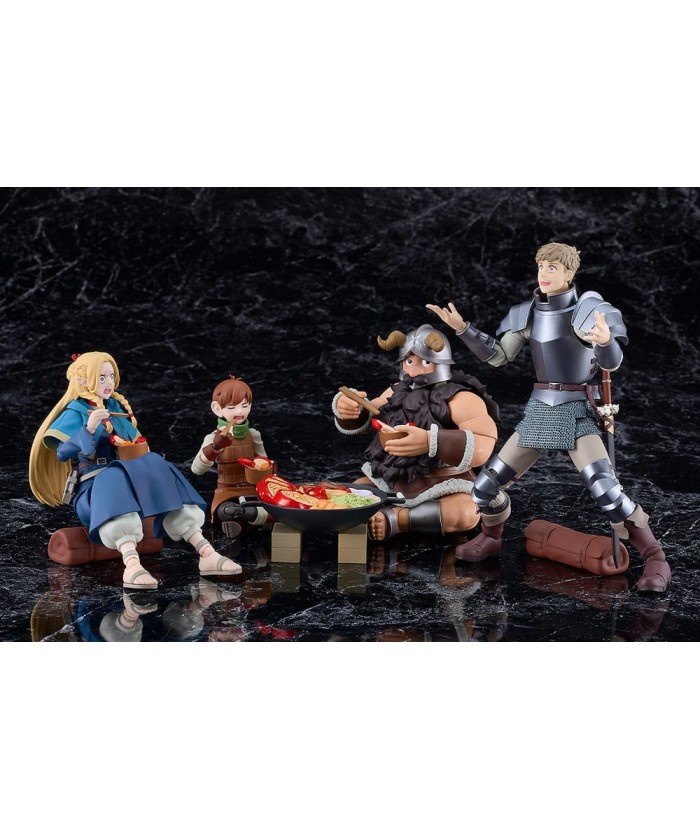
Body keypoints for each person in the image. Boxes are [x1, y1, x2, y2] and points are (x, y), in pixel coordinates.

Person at [427, 241, 671, 593]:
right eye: (541, 267)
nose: (543, 274)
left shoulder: (586, 312)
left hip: (575, 410)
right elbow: (498, 356)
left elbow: (611, 362)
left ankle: (655, 557)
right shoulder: (528, 314)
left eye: (552, 268)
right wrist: (463, 328)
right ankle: (491, 537)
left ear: (569, 273)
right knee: (484, 487)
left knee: (606, 489)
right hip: (540, 410)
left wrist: (605, 340)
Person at [29, 351, 241, 589]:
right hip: (95, 492)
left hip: (129, 484)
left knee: (157, 464)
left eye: (111, 376)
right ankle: (131, 565)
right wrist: (89, 428)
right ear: (82, 379)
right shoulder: (75, 411)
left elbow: (135, 443)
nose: (109, 383)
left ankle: (206, 552)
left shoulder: (115, 407)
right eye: (101, 377)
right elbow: (62, 453)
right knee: (113, 475)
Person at [333, 323, 499, 541]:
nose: (414, 371)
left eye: (425, 362)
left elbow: (484, 441)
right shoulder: (396, 391)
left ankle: (398, 519)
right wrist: (351, 409)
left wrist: (431, 441)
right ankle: (377, 512)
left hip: (444, 482)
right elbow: (372, 414)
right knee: (357, 490)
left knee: (466, 513)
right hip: (394, 478)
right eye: (409, 361)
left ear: (439, 362)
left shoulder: (460, 398)